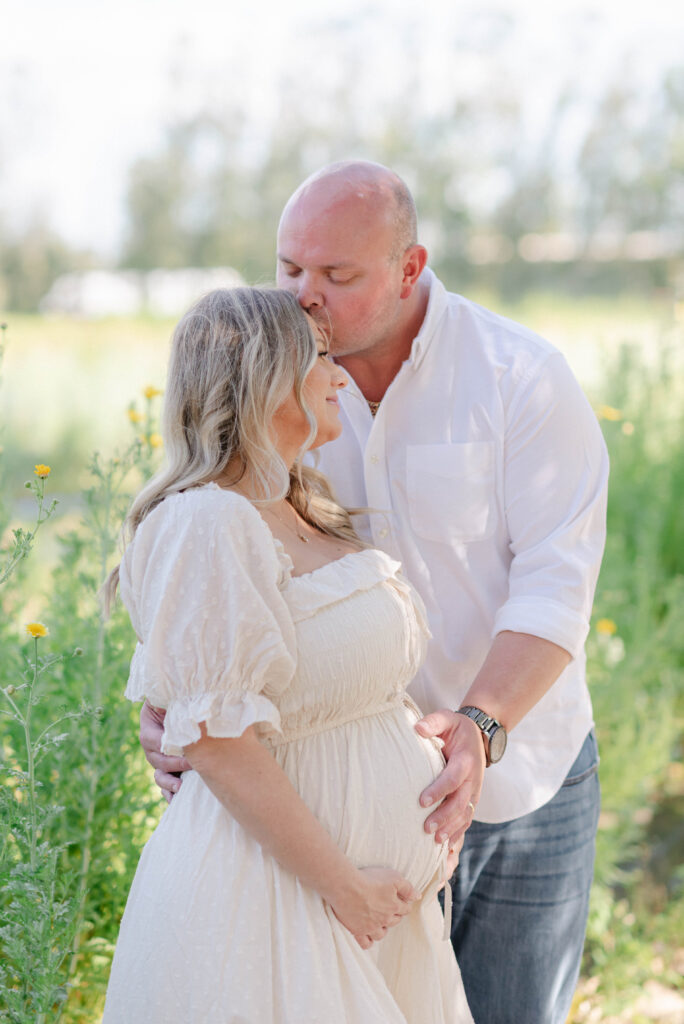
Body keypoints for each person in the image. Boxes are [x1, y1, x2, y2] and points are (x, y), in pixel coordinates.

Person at [142, 161, 609, 1024]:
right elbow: (212, 580)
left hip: (517, 771)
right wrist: (179, 699)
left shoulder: (521, 379)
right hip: (330, 823)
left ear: (409, 266)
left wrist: (480, 729)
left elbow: (557, 585)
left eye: (337, 275)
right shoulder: (281, 392)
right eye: (290, 270)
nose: (306, 295)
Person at [102, 286, 474, 1023]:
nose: (342, 377)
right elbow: (216, 739)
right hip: (278, 905)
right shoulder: (207, 521)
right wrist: (344, 885)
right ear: (269, 378)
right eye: (324, 359)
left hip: (363, 910)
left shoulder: (302, 504)